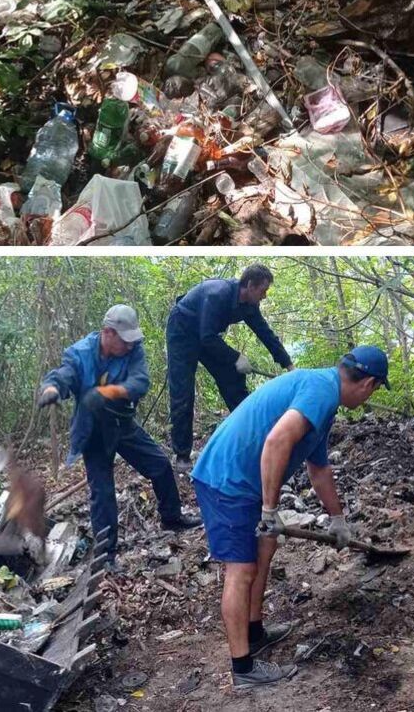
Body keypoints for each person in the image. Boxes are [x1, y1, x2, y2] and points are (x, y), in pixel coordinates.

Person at [189, 345, 388, 688]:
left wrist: (338, 519)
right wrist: (269, 510)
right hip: (227, 479)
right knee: (241, 569)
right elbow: (277, 441)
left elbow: (319, 468)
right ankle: (243, 669)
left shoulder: (324, 399)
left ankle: (254, 632)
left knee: (265, 546)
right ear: (368, 384)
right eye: (372, 392)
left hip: (243, 481)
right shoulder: (321, 391)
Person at [38, 304, 200, 567]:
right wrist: (51, 389)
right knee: (102, 493)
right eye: (124, 340)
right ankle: (106, 556)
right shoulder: (80, 353)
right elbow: (63, 375)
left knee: (159, 465)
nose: (129, 346)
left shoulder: (133, 350)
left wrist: (108, 393)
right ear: (108, 333)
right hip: (93, 431)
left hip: (122, 423)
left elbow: (140, 382)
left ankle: (172, 518)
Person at [166, 264, 294, 466]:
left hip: (207, 336)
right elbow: (207, 337)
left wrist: (288, 365)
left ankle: (254, 437)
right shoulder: (218, 294)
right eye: (263, 291)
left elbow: (264, 332)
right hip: (183, 331)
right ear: (250, 285)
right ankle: (182, 455)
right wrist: (236, 357)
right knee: (183, 391)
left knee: (233, 378)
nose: (265, 296)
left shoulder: (249, 305)